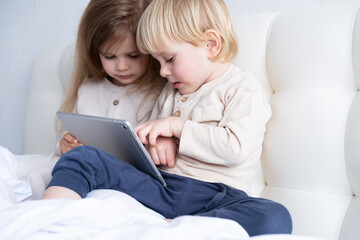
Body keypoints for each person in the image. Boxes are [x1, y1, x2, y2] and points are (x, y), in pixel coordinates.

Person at [42, 0, 293, 236]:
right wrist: (155, 142)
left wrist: (177, 128)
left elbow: (236, 148)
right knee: (84, 157)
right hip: (163, 187)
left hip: (217, 196)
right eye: (158, 61)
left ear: (211, 45)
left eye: (169, 59)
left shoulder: (242, 88)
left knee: (275, 215)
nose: (162, 71)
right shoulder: (170, 91)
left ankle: (177, 227)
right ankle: (47, 218)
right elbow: (146, 142)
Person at [18, 0, 167, 199]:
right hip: (84, 176)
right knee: (38, 175)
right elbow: (76, 134)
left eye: (133, 55)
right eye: (110, 56)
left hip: (127, 183)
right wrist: (65, 143)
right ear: (96, 53)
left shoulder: (160, 92)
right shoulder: (88, 89)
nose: (122, 66)